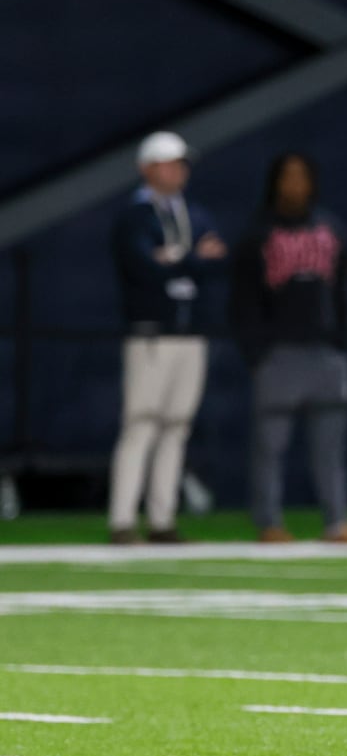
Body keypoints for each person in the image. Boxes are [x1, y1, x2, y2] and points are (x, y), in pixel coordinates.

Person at [229, 153, 347, 544]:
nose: (294, 185)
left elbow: (344, 291)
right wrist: (257, 354)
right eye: (287, 177)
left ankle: (336, 521)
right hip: (278, 354)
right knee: (269, 445)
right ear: (275, 182)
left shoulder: (331, 227)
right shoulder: (256, 234)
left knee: (331, 447)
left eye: (301, 177)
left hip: (326, 351)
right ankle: (269, 522)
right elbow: (242, 301)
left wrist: (343, 342)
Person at [107, 131, 227, 544]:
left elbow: (215, 263)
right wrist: (190, 260)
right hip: (151, 334)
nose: (178, 170)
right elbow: (144, 268)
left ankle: (162, 520)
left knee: (177, 426)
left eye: (181, 163)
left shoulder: (195, 213)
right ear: (147, 168)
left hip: (189, 331)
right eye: (168, 163)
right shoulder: (135, 217)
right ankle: (122, 520)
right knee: (140, 423)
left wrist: (176, 260)